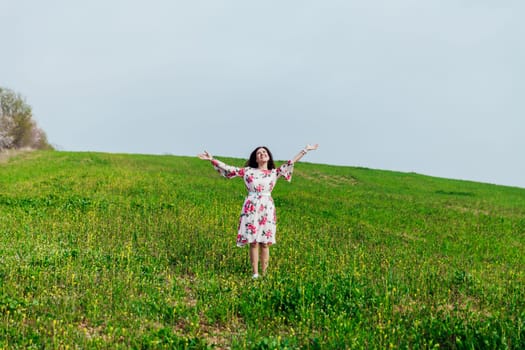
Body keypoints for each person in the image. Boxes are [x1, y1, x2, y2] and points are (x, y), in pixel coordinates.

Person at [198, 144, 319, 279]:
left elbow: (290, 162)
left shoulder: (274, 172)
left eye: (264, 152)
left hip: (267, 208)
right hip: (251, 207)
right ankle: (255, 273)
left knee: (265, 242)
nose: (262, 154)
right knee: (253, 241)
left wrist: (305, 150)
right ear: (256, 158)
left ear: (268, 156)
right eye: (259, 153)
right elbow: (229, 169)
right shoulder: (248, 171)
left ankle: (265, 274)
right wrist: (211, 159)